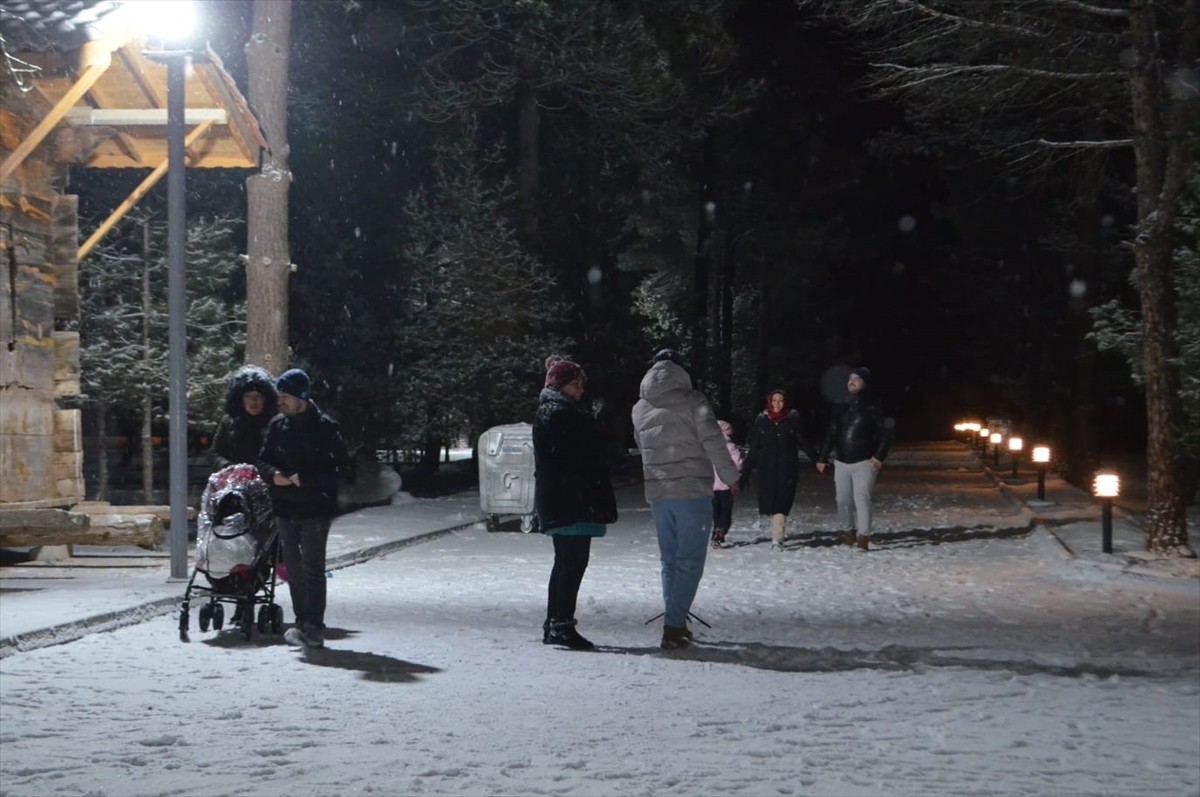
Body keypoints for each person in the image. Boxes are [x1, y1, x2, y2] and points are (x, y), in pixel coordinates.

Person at [631, 349, 740, 650]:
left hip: (659, 493)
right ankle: (674, 625)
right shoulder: (693, 400)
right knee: (690, 561)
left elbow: (644, 447)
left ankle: (675, 620)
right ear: (680, 371)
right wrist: (730, 477)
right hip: (691, 491)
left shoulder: (639, 408)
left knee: (670, 560)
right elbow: (714, 441)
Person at [257, 368, 351, 649]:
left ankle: (314, 626)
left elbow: (343, 470)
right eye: (279, 397)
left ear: (301, 396)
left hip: (315, 509)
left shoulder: (325, 428)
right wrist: (273, 475)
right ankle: (301, 621)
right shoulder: (277, 426)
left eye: (285, 396)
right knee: (293, 569)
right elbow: (263, 460)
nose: (280, 402)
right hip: (285, 509)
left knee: (313, 569)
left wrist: (307, 480)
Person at [533, 355, 618, 651]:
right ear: (561, 385)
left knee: (566, 562)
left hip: (565, 499)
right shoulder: (560, 414)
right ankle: (561, 625)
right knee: (572, 562)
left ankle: (555, 623)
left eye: (581, 384)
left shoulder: (558, 412)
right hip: (571, 500)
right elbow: (577, 456)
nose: (580, 389)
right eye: (575, 384)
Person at [816, 367, 894, 552]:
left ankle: (863, 537)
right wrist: (822, 457)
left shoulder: (873, 406)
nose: (852, 381)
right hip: (841, 461)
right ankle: (848, 532)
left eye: (857, 378)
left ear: (865, 383)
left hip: (865, 462)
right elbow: (832, 432)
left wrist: (879, 456)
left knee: (861, 498)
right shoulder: (841, 405)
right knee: (842, 500)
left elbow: (887, 432)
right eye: (850, 378)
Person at [739, 389, 819, 550]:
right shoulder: (762, 422)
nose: (777, 404)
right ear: (769, 402)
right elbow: (754, 448)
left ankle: (777, 539)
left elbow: (803, 441)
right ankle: (777, 527)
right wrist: (745, 472)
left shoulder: (792, 421)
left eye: (780, 400)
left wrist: (818, 460)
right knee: (769, 505)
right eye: (774, 400)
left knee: (782, 503)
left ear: (785, 402)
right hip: (766, 469)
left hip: (787, 468)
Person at [209, 365, 278, 470]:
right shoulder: (229, 421)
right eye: (247, 396)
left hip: (267, 477)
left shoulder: (276, 423)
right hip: (235, 477)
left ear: (266, 399)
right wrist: (230, 467)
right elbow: (214, 453)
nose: (253, 401)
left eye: (258, 396)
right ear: (239, 398)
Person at [710, 420, 743, 549]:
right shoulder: (730, 446)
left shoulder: (708, 447)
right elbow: (738, 463)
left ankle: (716, 532)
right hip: (726, 484)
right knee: (726, 510)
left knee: (716, 510)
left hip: (712, 484)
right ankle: (721, 531)